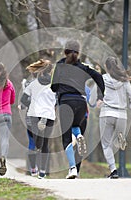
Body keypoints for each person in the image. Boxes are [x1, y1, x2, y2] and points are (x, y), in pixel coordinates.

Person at [51, 40, 105, 179]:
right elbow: (98, 76)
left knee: (66, 138)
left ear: (65, 51)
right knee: (76, 126)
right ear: (78, 52)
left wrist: (60, 86)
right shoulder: (83, 66)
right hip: (81, 103)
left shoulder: (60, 65)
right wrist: (100, 95)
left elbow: (53, 86)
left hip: (66, 102)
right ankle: (79, 135)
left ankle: (73, 168)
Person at [96, 56, 131, 178]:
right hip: (121, 115)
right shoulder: (124, 80)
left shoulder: (102, 78)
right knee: (115, 139)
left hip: (107, 113)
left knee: (106, 144)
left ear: (106, 67)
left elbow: (97, 95)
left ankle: (113, 170)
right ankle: (120, 138)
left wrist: (98, 102)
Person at [20, 59, 56, 179]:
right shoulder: (54, 85)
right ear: (51, 72)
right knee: (46, 144)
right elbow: (57, 101)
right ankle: (42, 172)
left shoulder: (33, 84)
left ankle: (34, 169)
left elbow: (24, 100)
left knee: (36, 143)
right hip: (49, 115)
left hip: (34, 114)